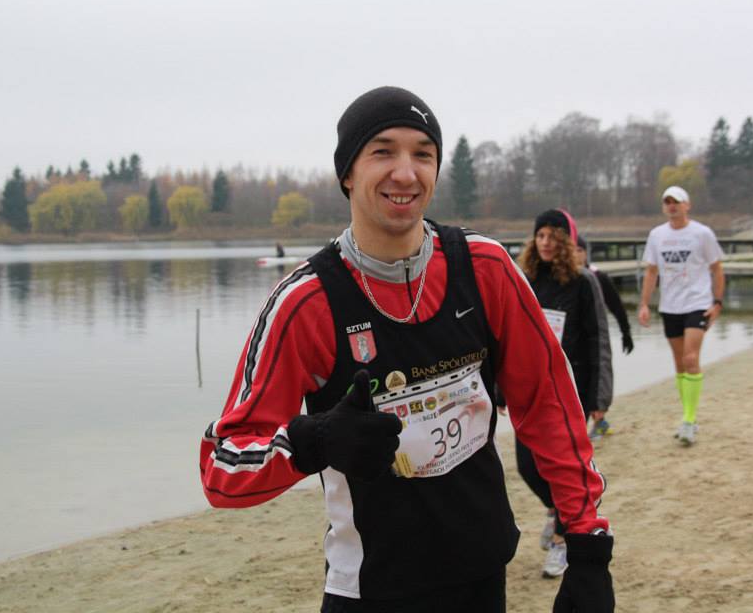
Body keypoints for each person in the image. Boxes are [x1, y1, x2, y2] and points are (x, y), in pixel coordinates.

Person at [199, 86, 613, 612]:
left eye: (423, 154)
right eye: (383, 151)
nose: (405, 172)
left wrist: (587, 545)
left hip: (482, 577)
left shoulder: (484, 268)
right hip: (372, 588)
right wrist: (315, 441)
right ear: (347, 173)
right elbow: (222, 469)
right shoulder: (306, 302)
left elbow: (548, 404)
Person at [515, 209, 611, 579]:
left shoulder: (583, 283)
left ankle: (561, 542)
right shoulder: (525, 280)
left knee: (563, 469)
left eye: (553, 236)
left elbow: (598, 338)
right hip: (530, 387)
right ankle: (557, 510)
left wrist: (600, 397)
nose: (545, 243)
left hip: (572, 389)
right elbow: (511, 337)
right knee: (527, 466)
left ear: (566, 242)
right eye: (540, 236)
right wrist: (500, 389)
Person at [638, 185, 725, 446]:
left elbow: (717, 268)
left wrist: (717, 302)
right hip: (670, 306)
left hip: (698, 303)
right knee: (679, 364)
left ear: (687, 205)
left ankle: (689, 419)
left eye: (676, 201)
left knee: (690, 358)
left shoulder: (702, 233)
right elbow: (651, 271)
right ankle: (689, 416)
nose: (672, 206)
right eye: (667, 202)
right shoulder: (657, 235)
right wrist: (644, 304)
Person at [575, 235, 633, 441]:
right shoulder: (559, 278)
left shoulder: (597, 276)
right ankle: (597, 423)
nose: (575, 254)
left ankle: (599, 421)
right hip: (572, 344)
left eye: (579, 250)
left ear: (586, 253)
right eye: (572, 250)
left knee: (597, 380)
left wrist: (626, 333)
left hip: (594, 341)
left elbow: (616, 306)